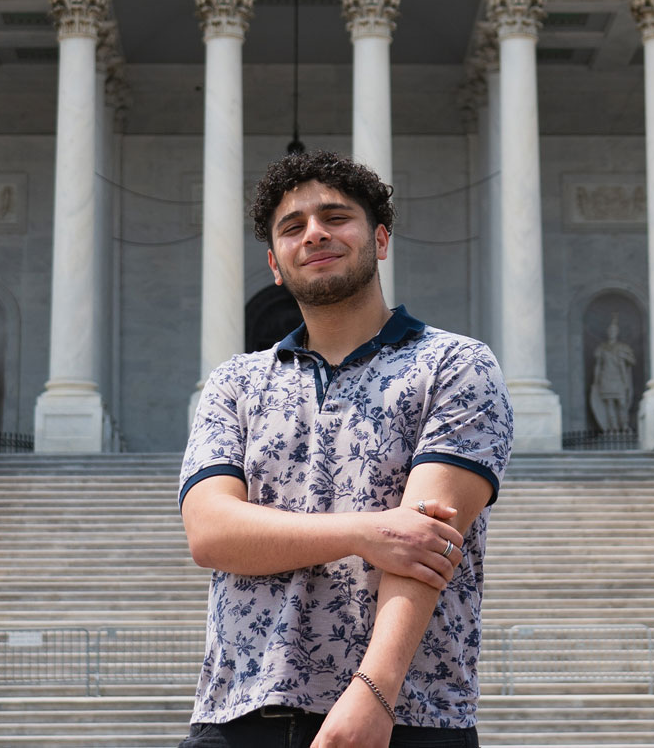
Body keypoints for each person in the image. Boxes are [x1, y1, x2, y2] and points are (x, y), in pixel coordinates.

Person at [179, 151, 514, 748]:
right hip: (237, 712)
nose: (314, 234)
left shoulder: (455, 364)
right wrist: (367, 533)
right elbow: (210, 532)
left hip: (407, 715)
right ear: (275, 264)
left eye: (336, 217)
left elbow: (426, 545)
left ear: (380, 239)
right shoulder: (234, 382)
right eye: (292, 226)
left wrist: (372, 694)